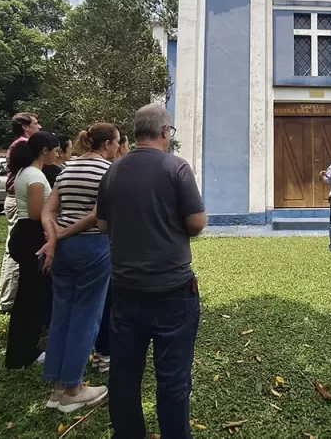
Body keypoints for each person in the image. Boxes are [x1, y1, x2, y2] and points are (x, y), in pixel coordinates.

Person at [98, 104, 207, 439]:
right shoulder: (176, 168)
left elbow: (103, 224)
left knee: (124, 376)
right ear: (164, 132)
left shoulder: (112, 171)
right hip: (172, 290)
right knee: (173, 379)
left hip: (125, 290)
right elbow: (197, 223)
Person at [38, 122, 120, 412]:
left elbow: (48, 210)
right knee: (86, 317)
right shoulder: (107, 172)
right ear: (108, 145)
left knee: (62, 314)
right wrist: (63, 234)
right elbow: (99, 215)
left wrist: (53, 238)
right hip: (92, 247)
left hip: (61, 251)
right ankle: (74, 389)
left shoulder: (67, 168)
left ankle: (58, 387)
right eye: (117, 143)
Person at [5, 130, 60, 369]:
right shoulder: (35, 177)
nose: (57, 155)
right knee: (31, 298)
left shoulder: (26, 173)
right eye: (55, 151)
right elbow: (39, 214)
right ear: (44, 151)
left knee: (28, 297)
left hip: (25, 233)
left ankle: (23, 350)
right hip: (32, 235)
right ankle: (23, 353)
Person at [0, 112, 42, 313]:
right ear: (25, 126)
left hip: (19, 198)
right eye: (36, 123)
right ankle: (7, 300)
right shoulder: (23, 144)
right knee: (16, 248)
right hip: (19, 199)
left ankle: (11, 297)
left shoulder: (22, 143)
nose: (39, 127)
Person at [92, 134, 130, 373]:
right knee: (109, 302)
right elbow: (102, 219)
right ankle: (105, 352)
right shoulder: (113, 172)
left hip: (93, 243)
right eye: (122, 144)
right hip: (107, 246)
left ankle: (98, 351)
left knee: (97, 302)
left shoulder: (74, 168)